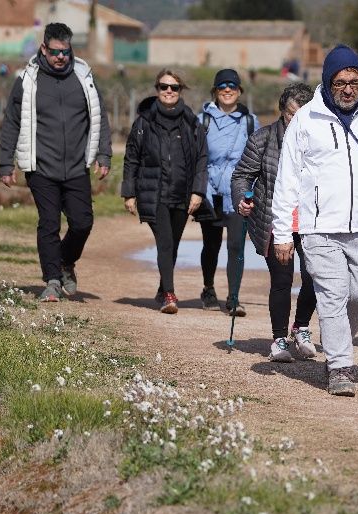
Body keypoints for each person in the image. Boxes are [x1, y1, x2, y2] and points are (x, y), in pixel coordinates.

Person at [272, 44, 358, 397]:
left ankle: (334, 337)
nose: (347, 88)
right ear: (327, 82)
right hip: (318, 228)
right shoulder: (305, 120)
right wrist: (283, 232)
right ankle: (340, 366)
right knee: (332, 295)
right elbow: (287, 180)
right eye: (340, 81)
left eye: (354, 82)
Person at [0, 22, 112, 302]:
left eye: (66, 51)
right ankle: (51, 280)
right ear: (44, 48)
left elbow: (100, 116)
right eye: (55, 52)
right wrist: (5, 163)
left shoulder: (83, 75)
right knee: (48, 223)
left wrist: (103, 153)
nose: (61, 57)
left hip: (76, 166)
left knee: (82, 223)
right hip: (41, 166)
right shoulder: (27, 80)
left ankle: (64, 262)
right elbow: (12, 122)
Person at [232, 83, 318, 362]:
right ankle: (279, 339)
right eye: (292, 114)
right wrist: (241, 200)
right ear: (282, 112)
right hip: (273, 220)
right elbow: (242, 175)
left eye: (304, 114)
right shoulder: (263, 139)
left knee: (314, 276)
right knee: (282, 279)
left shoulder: (320, 142)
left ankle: (301, 328)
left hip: (311, 221)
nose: (297, 120)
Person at [121, 69, 208, 314]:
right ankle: (169, 294)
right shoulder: (144, 122)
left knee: (173, 244)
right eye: (163, 86)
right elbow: (131, 158)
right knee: (165, 242)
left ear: (181, 91)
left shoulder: (191, 122)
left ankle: (162, 288)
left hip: (182, 193)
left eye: (174, 87)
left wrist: (197, 192)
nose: (168, 91)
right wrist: (129, 193)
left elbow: (202, 158)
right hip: (154, 192)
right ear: (157, 89)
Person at [197, 69, 260, 316]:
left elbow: (258, 158)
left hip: (239, 193)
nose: (227, 90)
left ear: (239, 90)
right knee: (210, 245)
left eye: (232, 86)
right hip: (210, 191)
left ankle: (233, 298)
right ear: (215, 91)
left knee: (236, 246)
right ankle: (208, 288)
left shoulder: (250, 121)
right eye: (222, 86)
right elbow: (197, 157)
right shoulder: (202, 120)